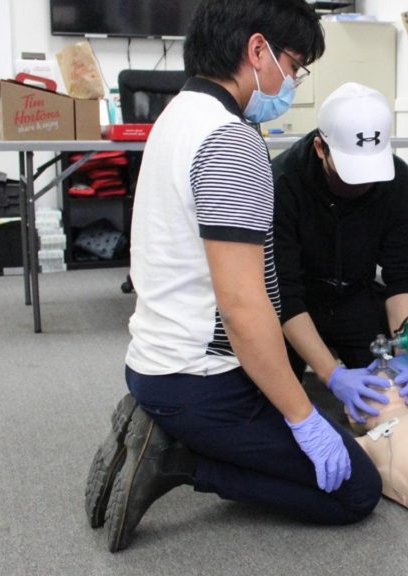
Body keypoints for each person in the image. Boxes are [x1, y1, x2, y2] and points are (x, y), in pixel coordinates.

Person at [83, 0, 381, 553]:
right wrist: (302, 417)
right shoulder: (231, 141)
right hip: (198, 381)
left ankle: (165, 427)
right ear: (257, 50)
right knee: (355, 488)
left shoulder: (177, 115)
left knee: (310, 424)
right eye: (294, 64)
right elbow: (243, 307)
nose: (293, 79)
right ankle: (179, 460)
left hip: (153, 363)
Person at [271, 82, 408, 425]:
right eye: (350, 171)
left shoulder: (403, 186)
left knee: (407, 390)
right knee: (262, 396)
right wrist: (333, 376)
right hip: (297, 304)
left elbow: (403, 278)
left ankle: (338, 359)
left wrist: (405, 353)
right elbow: (284, 292)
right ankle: (319, 362)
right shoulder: (283, 183)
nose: (361, 184)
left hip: (355, 297)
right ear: (320, 148)